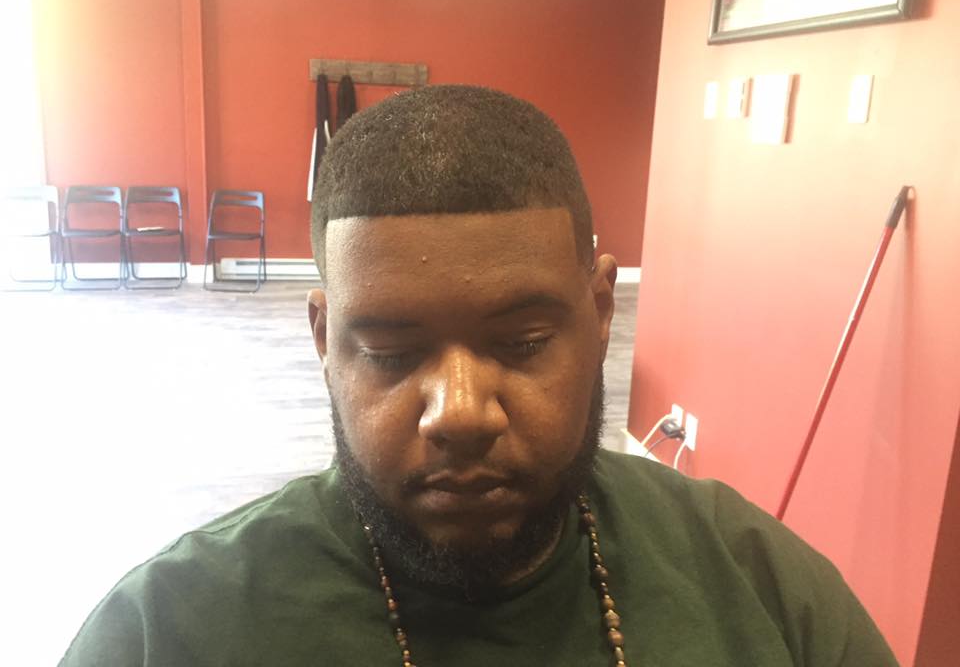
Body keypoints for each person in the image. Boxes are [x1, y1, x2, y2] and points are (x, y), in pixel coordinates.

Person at [60, 85, 898, 666]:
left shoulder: (764, 592)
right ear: (324, 340)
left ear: (601, 310)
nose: (460, 414)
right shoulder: (166, 634)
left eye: (523, 342)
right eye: (392, 353)